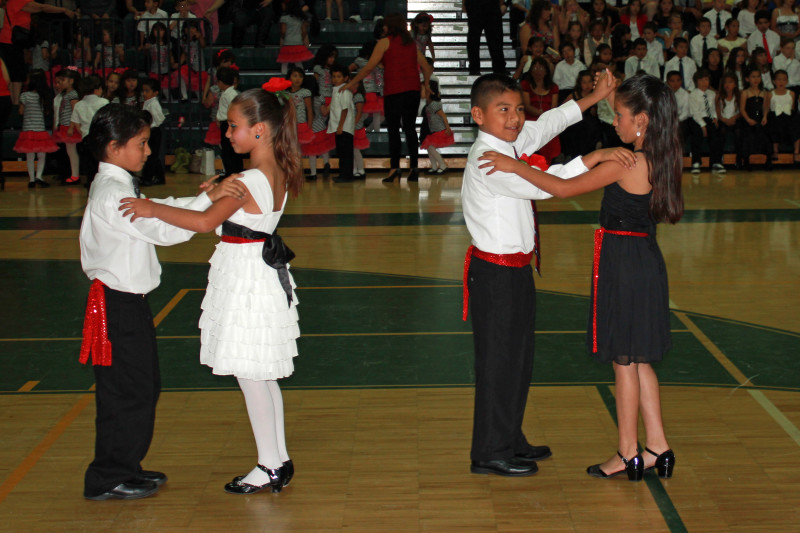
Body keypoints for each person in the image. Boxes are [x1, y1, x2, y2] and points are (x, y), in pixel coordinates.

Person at [477, 73, 682, 482]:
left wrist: (513, 165)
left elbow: (560, 188)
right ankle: (657, 445)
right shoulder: (661, 155)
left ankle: (627, 453)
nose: (615, 122)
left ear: (641, 121)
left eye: (620, 115)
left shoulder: (628, 163)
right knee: (639, 361)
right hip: (643, 258)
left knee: (624, 362)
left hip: (623, 263)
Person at [118, 84, 303, 495]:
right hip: (253, 271)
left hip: (246, 278)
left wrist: (150, 207)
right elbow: (235, 221)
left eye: (234, 126)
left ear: (259, 130)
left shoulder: (252, 177)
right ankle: (278, 459)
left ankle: (269, 463)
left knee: (251, 375)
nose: (228, 133)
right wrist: (213, 193)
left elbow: (203, 225)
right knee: (261, 375)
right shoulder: (274, 171)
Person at [78, 102, 247, 500]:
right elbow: (162, 229)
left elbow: (158, 212)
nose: (149, 151)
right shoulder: (111, 194)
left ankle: (124, 466)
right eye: (142, 143)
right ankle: (107, 476)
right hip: (116, 305)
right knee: (127, 390)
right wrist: (208, 203)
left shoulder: (117, 185)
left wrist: (203, 199)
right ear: (116, 148)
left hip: (126, 302)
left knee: (140, 386)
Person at [460, 72, 617, 478]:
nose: (515, 119)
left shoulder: (509, 145)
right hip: (495, 275)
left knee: (518, 360)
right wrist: (591, 159)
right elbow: (548, 186)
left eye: (517, 109)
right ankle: (490, 451)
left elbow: (549, 123)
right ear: (478, 115)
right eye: (503, 110)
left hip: (515, 272)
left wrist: (594, 96)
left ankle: (509, 436)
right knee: (498, 363)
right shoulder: (490, 160)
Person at [341, 13, 432, 183]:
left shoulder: (385, 42)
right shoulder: (411, 43)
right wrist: (426, 84)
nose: (382, 27)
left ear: (390, 26)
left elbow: (369, 67)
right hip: (412, 91)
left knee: (394, 131)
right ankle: (414, 168)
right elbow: (427, 67)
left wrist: (351, 83)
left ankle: (394, 168)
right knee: (410, 129)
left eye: (385, 25)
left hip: (394, 92)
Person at [0, 0, 76, 104]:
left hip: (11, 41)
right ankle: (15, 103)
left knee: (16, 73)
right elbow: (41, 7)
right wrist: (64, 10)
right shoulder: (18, 0)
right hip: (11, 41)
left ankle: (14, 102)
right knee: (17, 74)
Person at [14, 69, 58, 188]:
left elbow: (21, 111)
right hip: (40, 129)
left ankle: (31, 179)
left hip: (28, 130)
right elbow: (47, 112)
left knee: (30, 155)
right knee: (42, 155)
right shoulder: (43, 97)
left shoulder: (24, 95)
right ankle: (39, 176)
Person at [72, 75, 110, 185]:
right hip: (101, 139)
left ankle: (90, 195)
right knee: (102, 169)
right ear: (97, 89)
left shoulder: (79, 105)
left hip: (86, 140)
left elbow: (76, 125)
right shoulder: (104, 102)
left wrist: (84, 133)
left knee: (90, 171)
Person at [688, 68, 724, 173]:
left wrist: (715, 118)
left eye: (706, 80)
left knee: (716, 133)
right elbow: (695, 112)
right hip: (697, 119)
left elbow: (713, 109)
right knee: (697, 133)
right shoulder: (693, 95)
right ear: (696, 82)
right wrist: (703, 125)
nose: (704, 83)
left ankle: (716, 162)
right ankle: (696, 162)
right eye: (701, 80)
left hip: (708, 118)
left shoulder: (711, 94)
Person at [52, 68, 82, 185]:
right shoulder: (66, 94)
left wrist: (71, 127)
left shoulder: (73, 94)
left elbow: (75, 111)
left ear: (71, 81)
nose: (61, 82)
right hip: (65, 125)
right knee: (70, 151)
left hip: (70, 126)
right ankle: (73, 174)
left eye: (63, 80)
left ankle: (75, 175)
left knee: (72, 151)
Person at [739, 67, 771, 170]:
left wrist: (765, 116)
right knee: (747, 135)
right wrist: (748, 119)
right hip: (748, 119)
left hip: (761, 118)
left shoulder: (764, 92)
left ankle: (768, 160)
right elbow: (742, 109)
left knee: (766, 133)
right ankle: (746, 161)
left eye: (758, 77)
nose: (756, 79)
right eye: (753, 77)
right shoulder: (745, 92)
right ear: (748, 79)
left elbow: (766, 107)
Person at [463, 0, 507, 76]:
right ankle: (474, 68)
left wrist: (503, 3)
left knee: (495, 39)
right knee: (474, 39)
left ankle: (499, 67)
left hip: (490, 5)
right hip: (475, 4)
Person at [420, 79, 453, 175]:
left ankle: (443, 165)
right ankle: (434, 166)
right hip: (433, 130)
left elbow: (443, 115)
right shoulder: (429, 104)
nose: (420, 92)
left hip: (438, 130)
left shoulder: (434, 104)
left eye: (422, 90)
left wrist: (447, 128)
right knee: (429, 148)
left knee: (430, 147)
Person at [328, 63, 354, 183]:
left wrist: (340, 126)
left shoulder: (344, 91)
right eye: (334, 76)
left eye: (339, 76)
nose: (335, 79)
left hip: (344, 127)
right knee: (342, 151)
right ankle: (344, 174)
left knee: (345, 152)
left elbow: (345, 109)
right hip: (341, 127)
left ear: (345, 78)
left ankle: (346, 175)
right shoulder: (336, 90)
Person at [216, 66, 244, 175]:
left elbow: (236, 110)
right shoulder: (227, 93)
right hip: (226, 123)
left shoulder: (231, 94)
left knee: (229, 150)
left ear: (221, 82)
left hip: (230, 124)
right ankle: (230, 172)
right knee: (227, 150)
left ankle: (233, 172)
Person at [140, 78, 165, 185]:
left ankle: (148, 178)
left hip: (154, 131)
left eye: (147, 91)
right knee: (153, 156)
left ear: (155, 93)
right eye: (143, 91)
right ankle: (159, 177)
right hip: (150, 130)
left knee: (152, 156)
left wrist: (151, 125)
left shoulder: (153, 103)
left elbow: (160, 118)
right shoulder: (148, 102)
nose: (144, 93)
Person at [276, 0, 312, 74]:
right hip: (298, 42)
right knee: (298, 62)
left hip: (287, 42)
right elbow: (304, 31)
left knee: (284, 63)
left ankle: (284, 78)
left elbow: (283, 31)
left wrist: (283, 38)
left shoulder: (284, 18)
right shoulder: (300, 18)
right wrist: (301, 38)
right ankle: (302, 76)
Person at [716, 72, 741, 169]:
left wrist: (734, 118)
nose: (727, 85)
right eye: (725, 82)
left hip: (735, 120)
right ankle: (719, 159)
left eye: (730, 82)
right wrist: (725, 120)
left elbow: (741, 112)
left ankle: (739, 159)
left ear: (735, 84)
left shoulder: (739, 95)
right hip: (724, 120)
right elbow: (718, 113)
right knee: (721, 132)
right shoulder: (719, 96)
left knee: (739, 132)